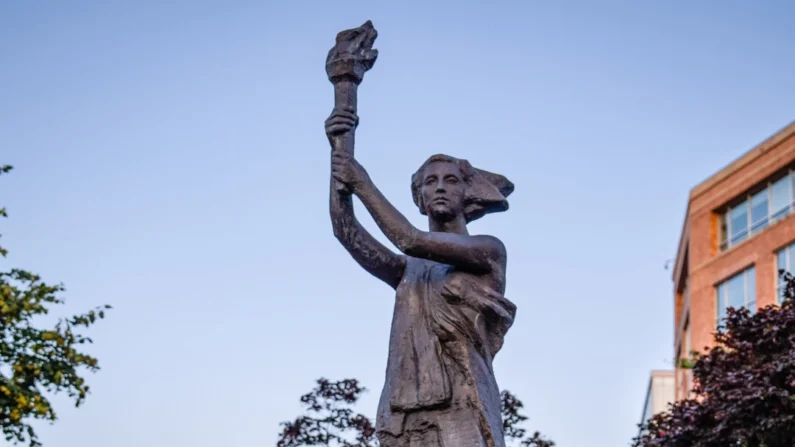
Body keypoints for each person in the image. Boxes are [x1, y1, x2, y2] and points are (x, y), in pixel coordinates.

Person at [326, 109, 516, 447]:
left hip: (464, 406)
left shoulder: (488, 251)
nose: (440, 187)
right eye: (431, 181)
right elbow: (345, 230)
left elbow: (409, 239)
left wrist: (362, 184)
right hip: (404, 410)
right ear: (420, 197)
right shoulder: (408, 271)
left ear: (468, 193)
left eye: (451, 180)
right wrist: (339, 150)